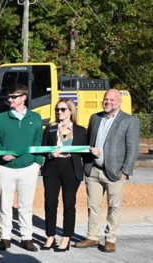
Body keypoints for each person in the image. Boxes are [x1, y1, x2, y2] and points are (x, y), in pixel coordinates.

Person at [74, 89, 140, 253]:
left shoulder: (129, 121)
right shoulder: (95, 118)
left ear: (119, 102)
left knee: (114, 206)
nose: (108, 102)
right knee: (93, 206)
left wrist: (126, 171)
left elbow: (132, 149)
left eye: (111, 99)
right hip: (93, 170)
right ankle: (92, 236)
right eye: (106, 99)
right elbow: (89, 140)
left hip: (115, 172)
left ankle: (110, 239)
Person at [0, 84, 44, 252]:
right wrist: (1, 153)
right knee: (5, 205)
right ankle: (5, 237)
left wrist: (37, 163)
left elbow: (38, 142)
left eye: (13, 96)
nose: (10, 100)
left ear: (23, 98)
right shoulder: (0, 118)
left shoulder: (35, 118)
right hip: (5, 168)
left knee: (25, 206)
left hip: (29, 168)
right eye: (9, 97)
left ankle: (26, 238)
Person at [41, 98, 87, 252]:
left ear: (70, 111)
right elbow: (43, 148)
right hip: (52, 167)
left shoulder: (80, 130)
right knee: (50, 203)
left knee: (68, 204)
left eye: (62, 109)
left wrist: (94, 153)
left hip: (71, 168)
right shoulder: (50, 128)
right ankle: (50, 236)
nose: (59, 112)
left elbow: (84, 152)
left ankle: (66, 237)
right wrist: (50, 155)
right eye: (57, 109)